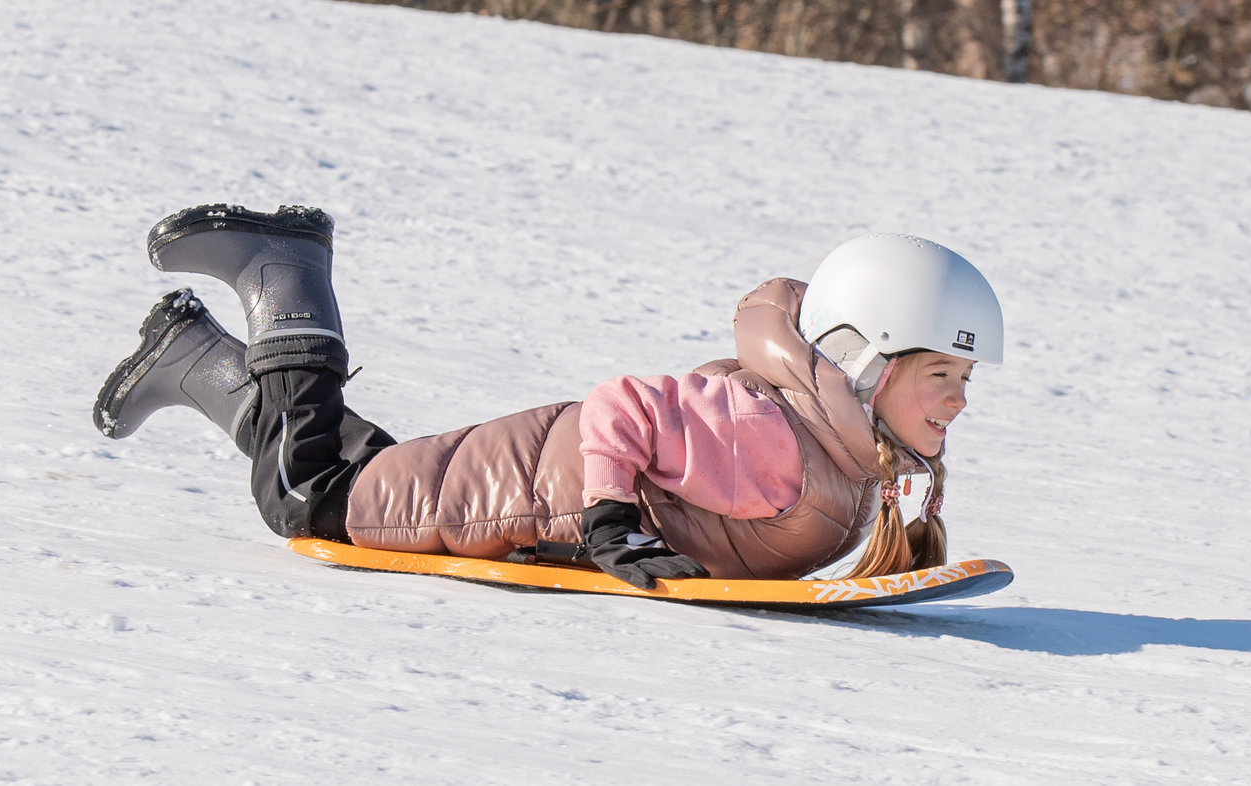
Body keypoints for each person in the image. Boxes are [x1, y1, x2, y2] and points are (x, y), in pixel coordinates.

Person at [94, 204, 1003, 588]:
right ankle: (283, 274)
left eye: (963, 379)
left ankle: (192, 356)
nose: (959, 401)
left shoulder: (836, 446)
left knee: (348, 467)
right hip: (527, 491)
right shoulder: (777, 443)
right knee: (308, 498)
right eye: (940, 375)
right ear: (864, 364)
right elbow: (621, 407)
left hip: (521, 480)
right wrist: (610, 522)